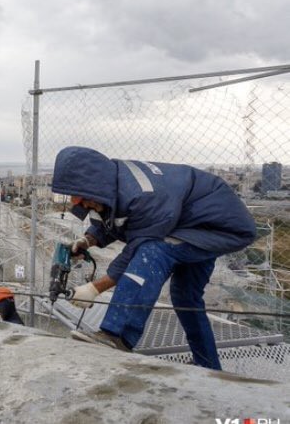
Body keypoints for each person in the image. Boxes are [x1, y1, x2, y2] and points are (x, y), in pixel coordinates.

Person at [51, 146, 256, 369]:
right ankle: (207, 364)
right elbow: (112, 217)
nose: (82, 204)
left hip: (218, 227)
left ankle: (117, 336)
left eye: (82, 199)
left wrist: (94, 289)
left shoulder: (143, 195)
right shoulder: (110, 182)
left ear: (93, 185)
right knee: (185, 296)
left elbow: (138, 250)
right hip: (189, 221)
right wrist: (89, 239)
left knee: (154, 252)